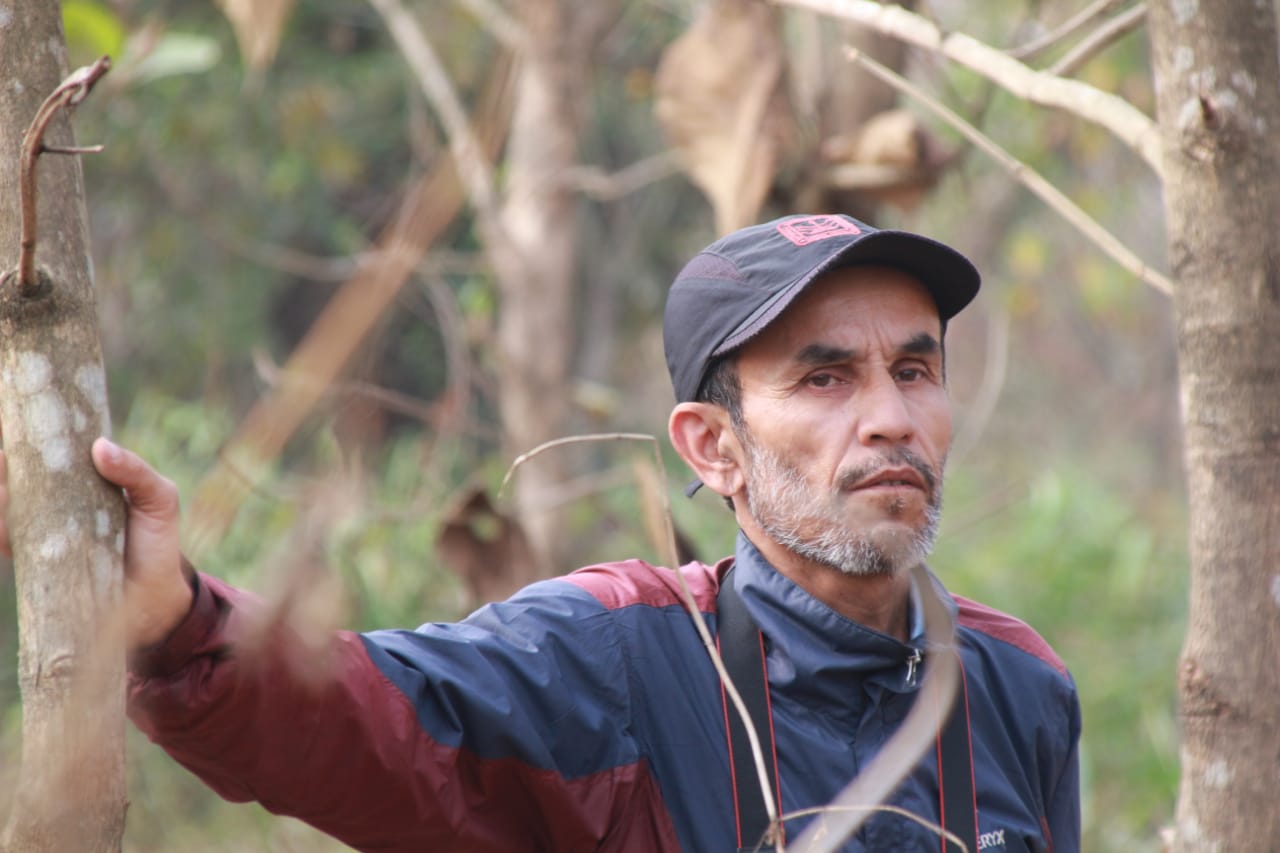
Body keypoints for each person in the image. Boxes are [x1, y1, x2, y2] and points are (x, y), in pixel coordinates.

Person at [0, 214, 1079, 852]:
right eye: (824, 376)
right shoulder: (618, 655)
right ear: (712, 448)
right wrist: (177, 621)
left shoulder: (1014, 682)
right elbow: (353, 716)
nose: (890, 414)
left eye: (914, 367)